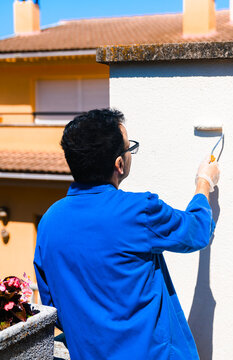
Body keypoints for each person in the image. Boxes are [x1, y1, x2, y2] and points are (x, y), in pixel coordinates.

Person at [34, 108, 220, 360]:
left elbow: (53, 306)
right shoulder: (138, 211)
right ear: (119, 164)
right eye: (129, 148)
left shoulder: (48, 222)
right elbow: (197, 231)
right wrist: (204, 183)